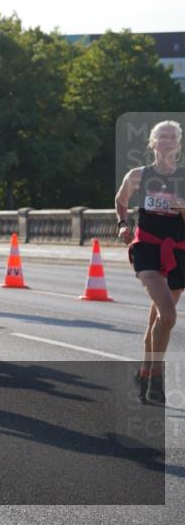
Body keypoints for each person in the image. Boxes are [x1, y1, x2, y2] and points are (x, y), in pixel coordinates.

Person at [116, 119, 185, 405]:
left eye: (173, 137)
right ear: (153, 143)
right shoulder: (138, 175)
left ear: (178, 145)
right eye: (163, 136)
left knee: (158, 319)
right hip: (147, 248)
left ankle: (143, 374)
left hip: (179, 251)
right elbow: (121, 200)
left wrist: (181, 208)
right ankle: (155, 380)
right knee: (168, 315)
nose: (168, 140)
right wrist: (122, 223)